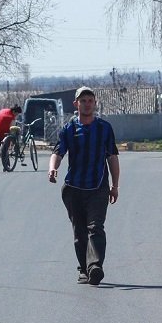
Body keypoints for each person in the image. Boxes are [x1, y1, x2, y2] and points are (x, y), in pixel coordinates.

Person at [48, 86, 119, 285]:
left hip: (98, 186)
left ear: (95, 104)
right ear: (76, 104)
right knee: (79, 231)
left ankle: (95, 266)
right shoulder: (69, 129)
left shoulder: (104, 128)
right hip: (74, 188)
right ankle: (84, 269)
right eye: (83, 100)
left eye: (90, 100)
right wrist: (53, 168)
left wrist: (115, 185)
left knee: (96, 227)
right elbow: (58, 151)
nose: (87, 104)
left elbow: (112, 157)